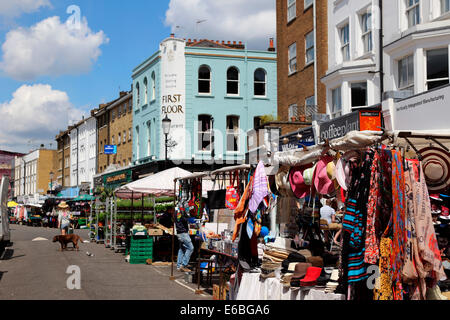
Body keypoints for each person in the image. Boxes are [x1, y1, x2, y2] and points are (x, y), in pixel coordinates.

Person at [174, 207, 194, 272]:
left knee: (182, 249)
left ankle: (179, 266)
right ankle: (184, 265)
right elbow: (185, 219)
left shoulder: (176, 212)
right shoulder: (180, 212)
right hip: (183, 233)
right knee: (190, 248)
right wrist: (191, 219)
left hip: (180, 232)